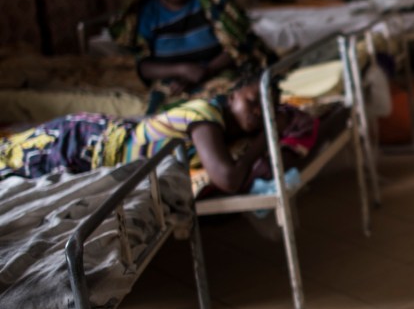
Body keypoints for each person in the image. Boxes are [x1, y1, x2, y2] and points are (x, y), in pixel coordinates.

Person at [1, 70, 272, 195]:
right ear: (233, 95)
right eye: (252, 101)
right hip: (87, 141)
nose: (258, 111)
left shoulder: (220, 127)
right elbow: (228, 179)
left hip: (101, 138)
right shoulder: (204, 114)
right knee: (9, 158)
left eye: (265, 108)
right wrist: (266, 138)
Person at [109, 0, 275, 113]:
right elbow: (143, 65)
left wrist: (206, 70)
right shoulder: (148, 11)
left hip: (217, 70)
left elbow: (238, 44)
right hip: (173, 80)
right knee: (167, 114)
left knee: (237, 102)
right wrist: (182, 70)